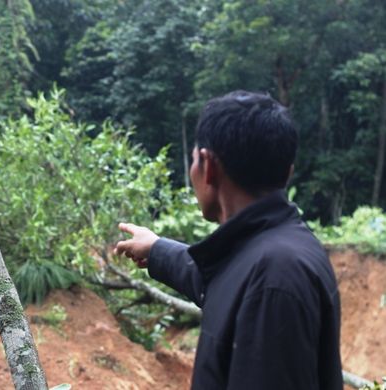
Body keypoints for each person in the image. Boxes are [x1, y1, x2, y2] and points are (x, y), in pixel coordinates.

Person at [114, 91, 342, 389]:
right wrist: (156, 249)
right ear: (287, 173)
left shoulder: (274, 277)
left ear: (207, 166)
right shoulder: (273, 248)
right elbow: (219, 280)